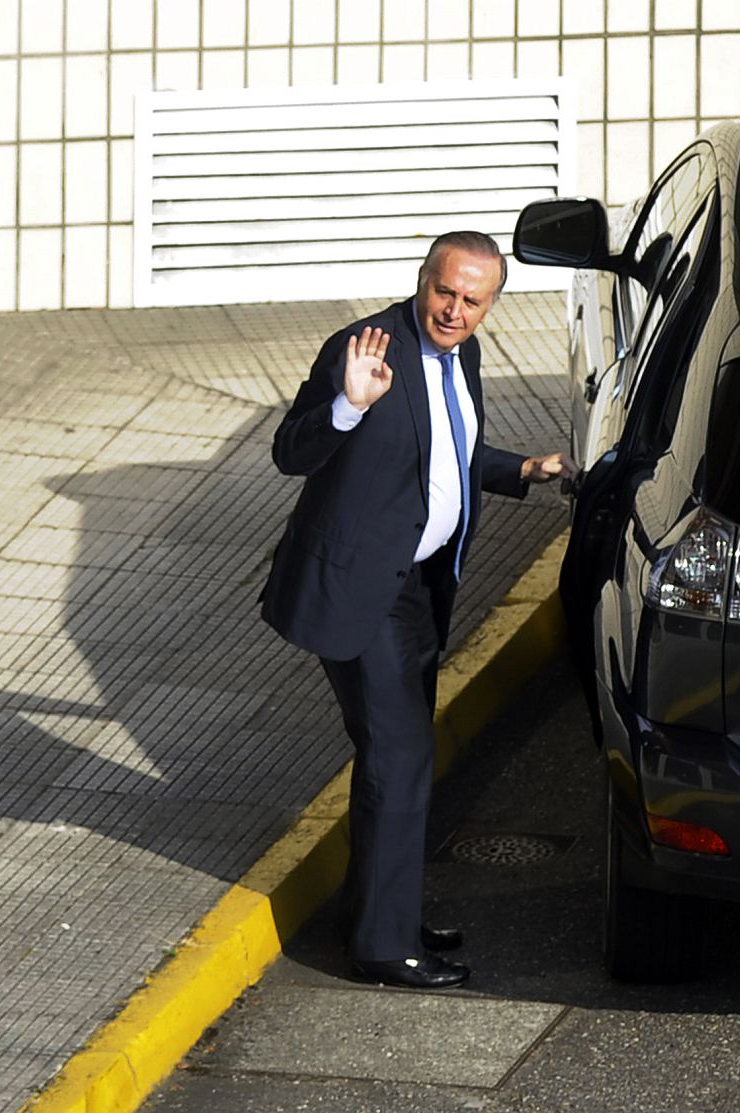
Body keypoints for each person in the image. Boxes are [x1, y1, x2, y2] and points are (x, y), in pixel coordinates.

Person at [260, 231, 575, 989]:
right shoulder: (364, 348)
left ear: (490, 306)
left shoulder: (463, 354)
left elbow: (445, 452)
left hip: (419, 588)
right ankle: (382, 946)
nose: (455, 311)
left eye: (474, 301)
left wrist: (524, 469)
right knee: (399, 759)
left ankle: (377, 911)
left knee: (396, 758)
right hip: (360, 590)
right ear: (422, 280)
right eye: (446, 292)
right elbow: (290, 451)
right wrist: (348, 405)